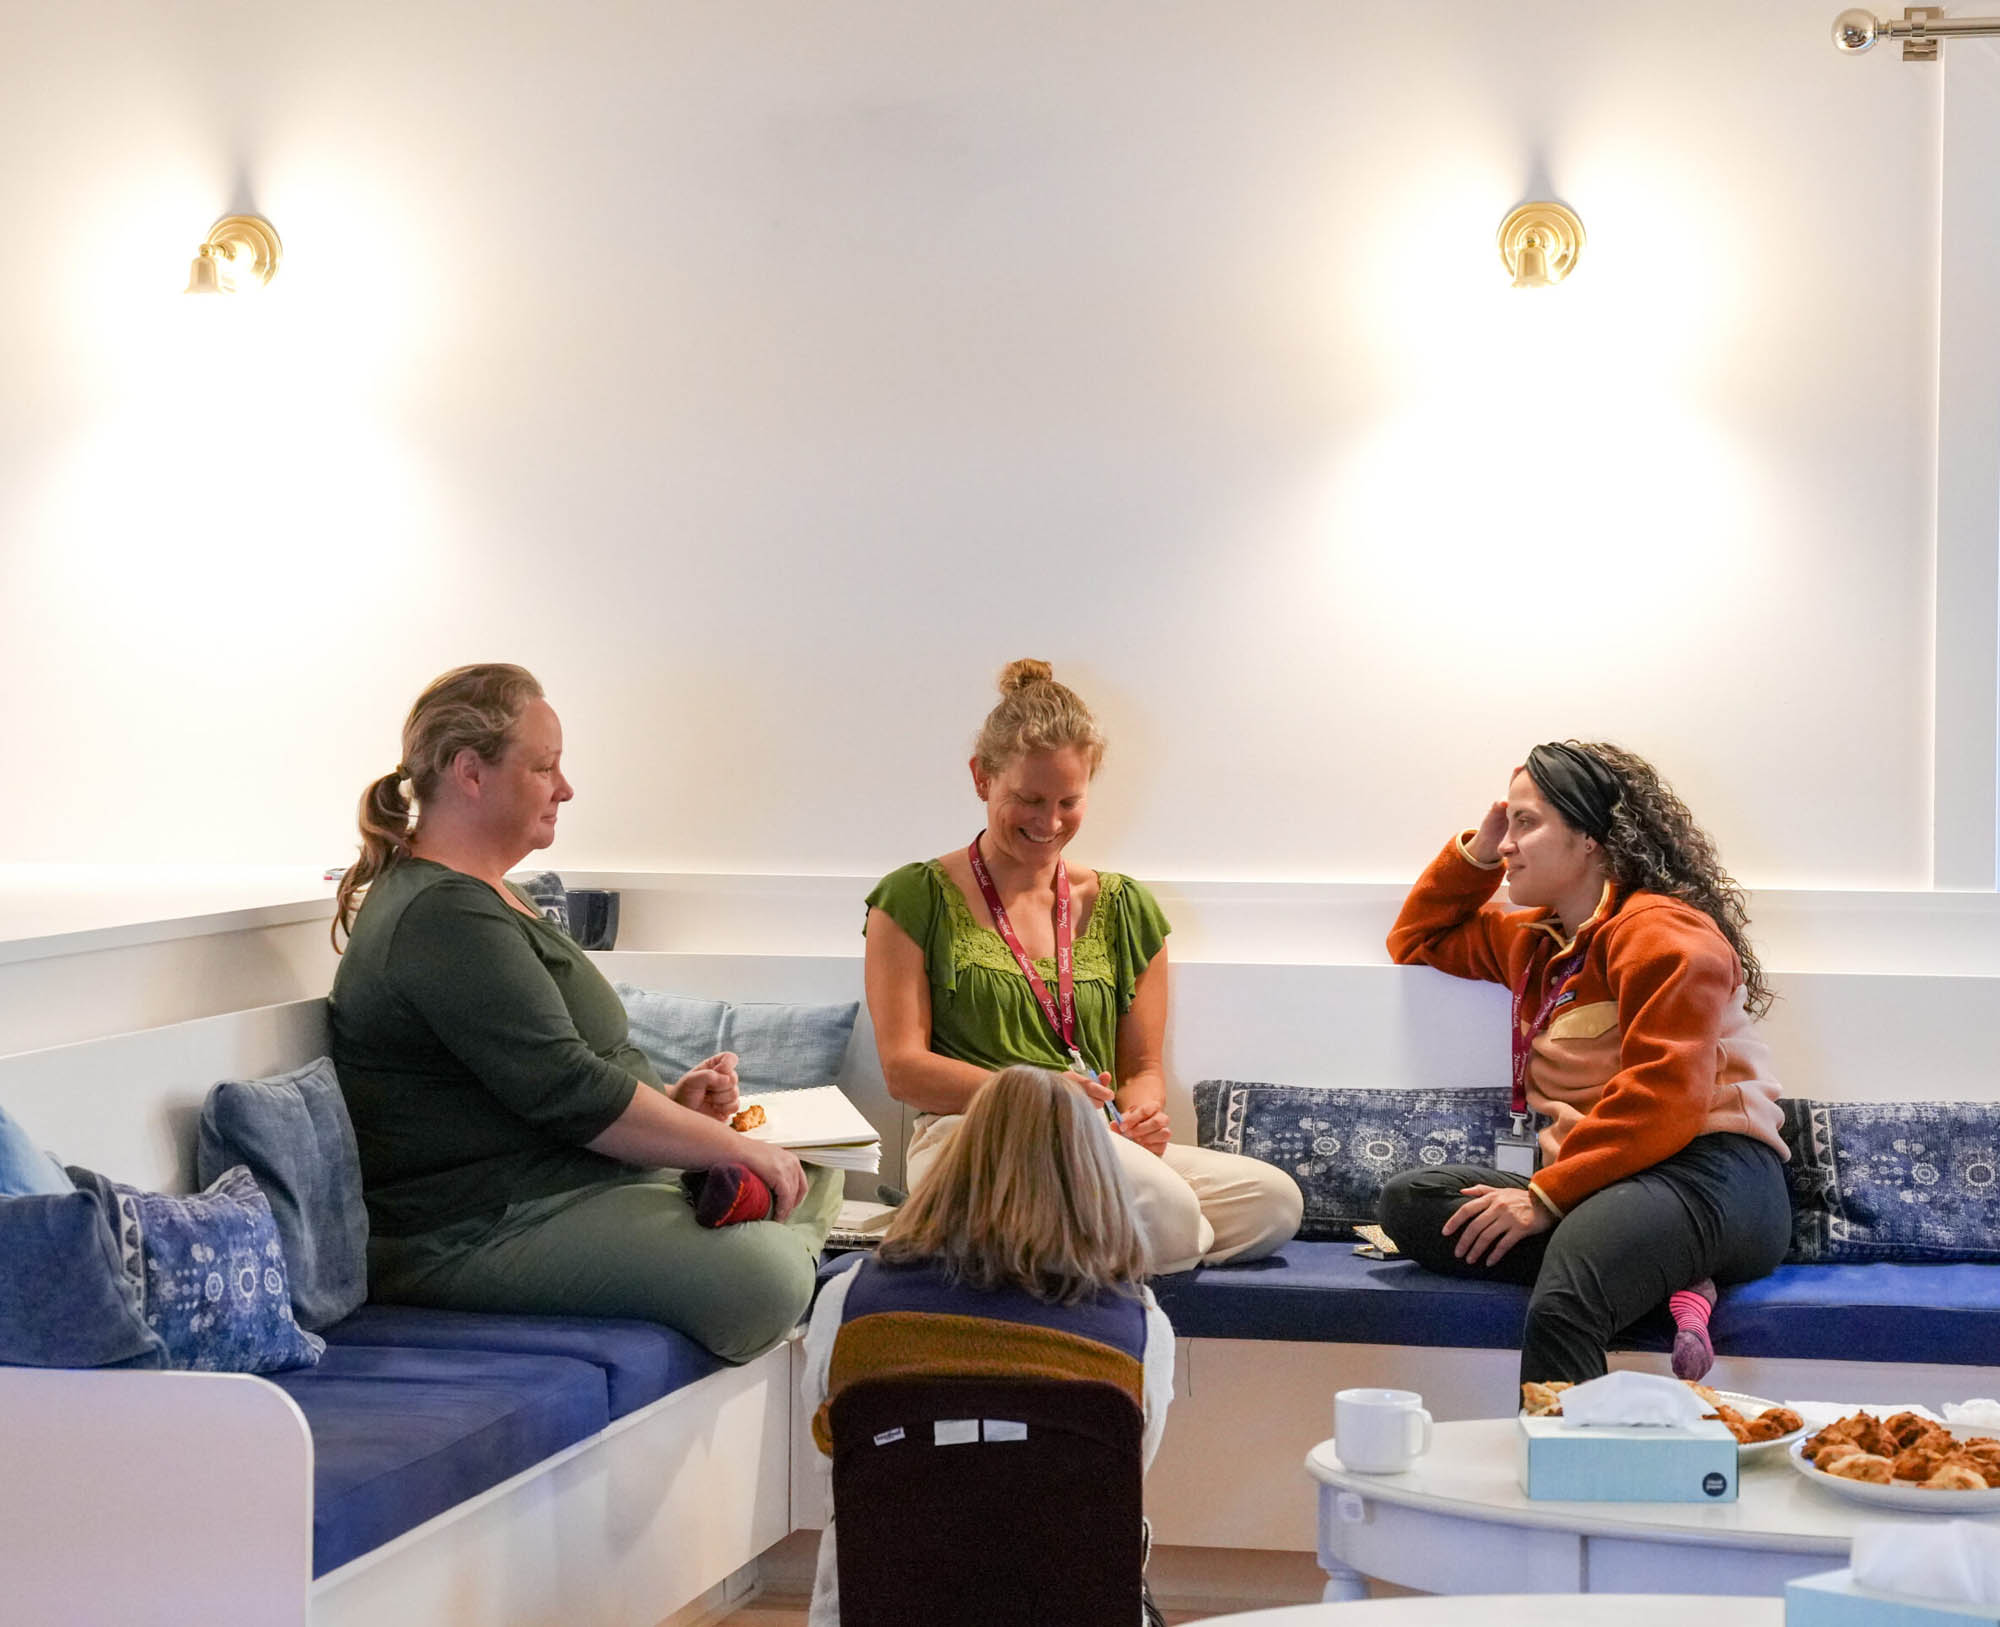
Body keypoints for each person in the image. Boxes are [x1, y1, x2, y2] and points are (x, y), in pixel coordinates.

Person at [327, 662, 841, 1363]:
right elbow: (566, 1086)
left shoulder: (494, 895)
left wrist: (674, 1105)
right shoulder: (439, 913)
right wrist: (722, 1144)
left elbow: (541, 1069)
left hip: (574, 1184)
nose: (565, 788)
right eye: (545, 767)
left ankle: (750, 1218)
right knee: (767, 1277)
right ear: (470, 772)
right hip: (478, 1228)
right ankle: (770, 1244)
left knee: (823, 1164)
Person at [863, 659, 1303, 1274]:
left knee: (1272, 1203)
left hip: (1097, 1139)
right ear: (981, 778)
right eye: (1028, 799)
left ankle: (1045, 1249)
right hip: (973, 1139)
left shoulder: (1126, 906)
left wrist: (1142, 1113)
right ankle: (1089, 1242)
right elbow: (905, 1072)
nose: (1049, 823)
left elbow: (1142, 1068)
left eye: (1069, 801)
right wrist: (1043, 1099)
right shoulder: (914, 895)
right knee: (1169, 1213)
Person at [1376, 741, 1791, 1388]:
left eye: (1526, 822)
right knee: (1415, 1203)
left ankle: (1560, 1484)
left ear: (1592, 837)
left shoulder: (1664, 932)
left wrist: (1545, 1196)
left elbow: (1666, 1096)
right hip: (1609, 1183)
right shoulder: (1536, 941)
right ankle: (1670, 1281)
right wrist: (1479, 849)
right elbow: (1417, 939)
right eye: (1505, 823)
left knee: (1568, 1292)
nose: (1508, 843)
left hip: (1715, 1173)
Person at [801, 1065, 1175, 1627]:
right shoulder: (1141, 1326)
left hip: (876, 1605)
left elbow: (836, 1461)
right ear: (1097, 1180)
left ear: (955, 1164)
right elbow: (1120, 1476)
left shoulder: (847, 1298)